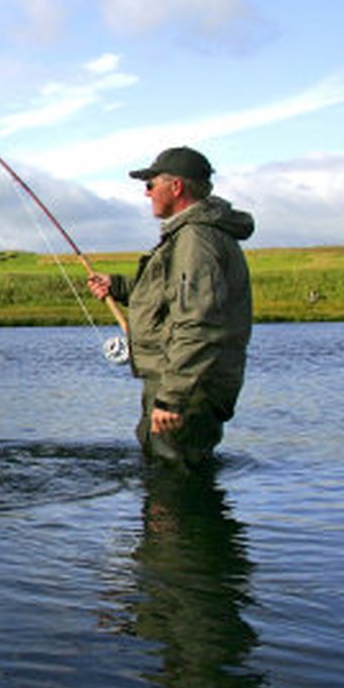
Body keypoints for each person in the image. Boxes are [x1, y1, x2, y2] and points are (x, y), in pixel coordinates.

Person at [88, 147, 254, 468]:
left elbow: (199, 323)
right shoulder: (191, 235)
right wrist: (119, 287)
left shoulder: (196, 239)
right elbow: (172, 294)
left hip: (186, 390)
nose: (146, 193)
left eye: (151, 185)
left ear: (176, 187)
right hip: (184, 384)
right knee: (167, 480)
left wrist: (172, 398)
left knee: (171, 485)